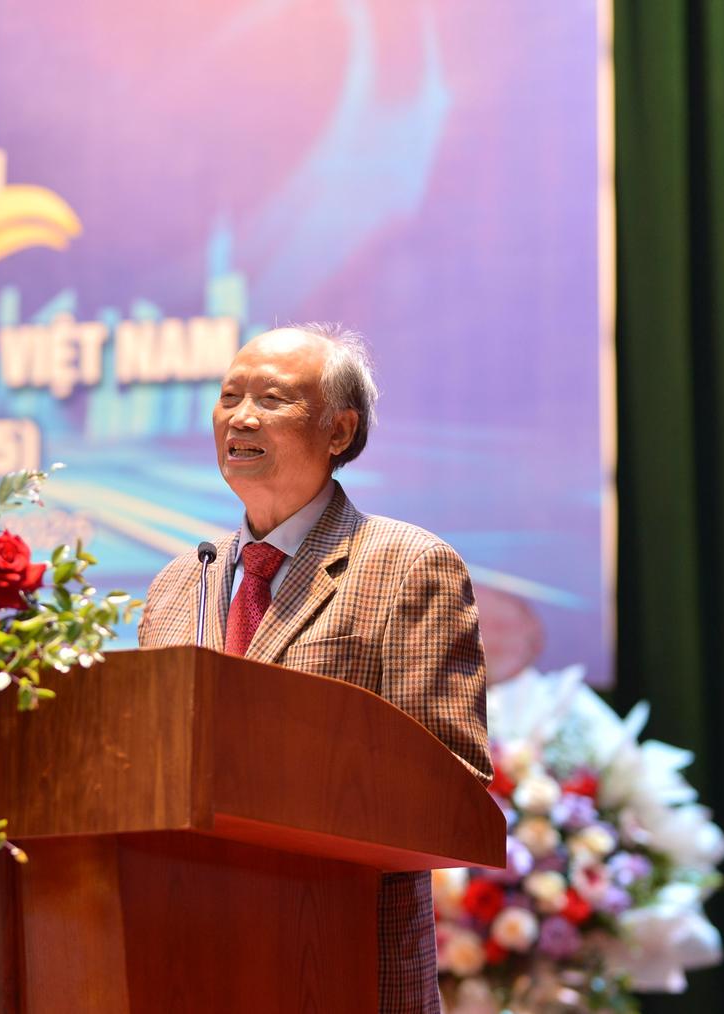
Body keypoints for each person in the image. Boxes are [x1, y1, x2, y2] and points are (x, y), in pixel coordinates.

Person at [138, 323, 492, 1014]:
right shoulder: (180, 583)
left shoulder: (408, 566)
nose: (241, 417)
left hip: (341, 952)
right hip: (184, 950)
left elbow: (451, 784)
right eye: (229, 397)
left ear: (339, 430)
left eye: (271, 399)